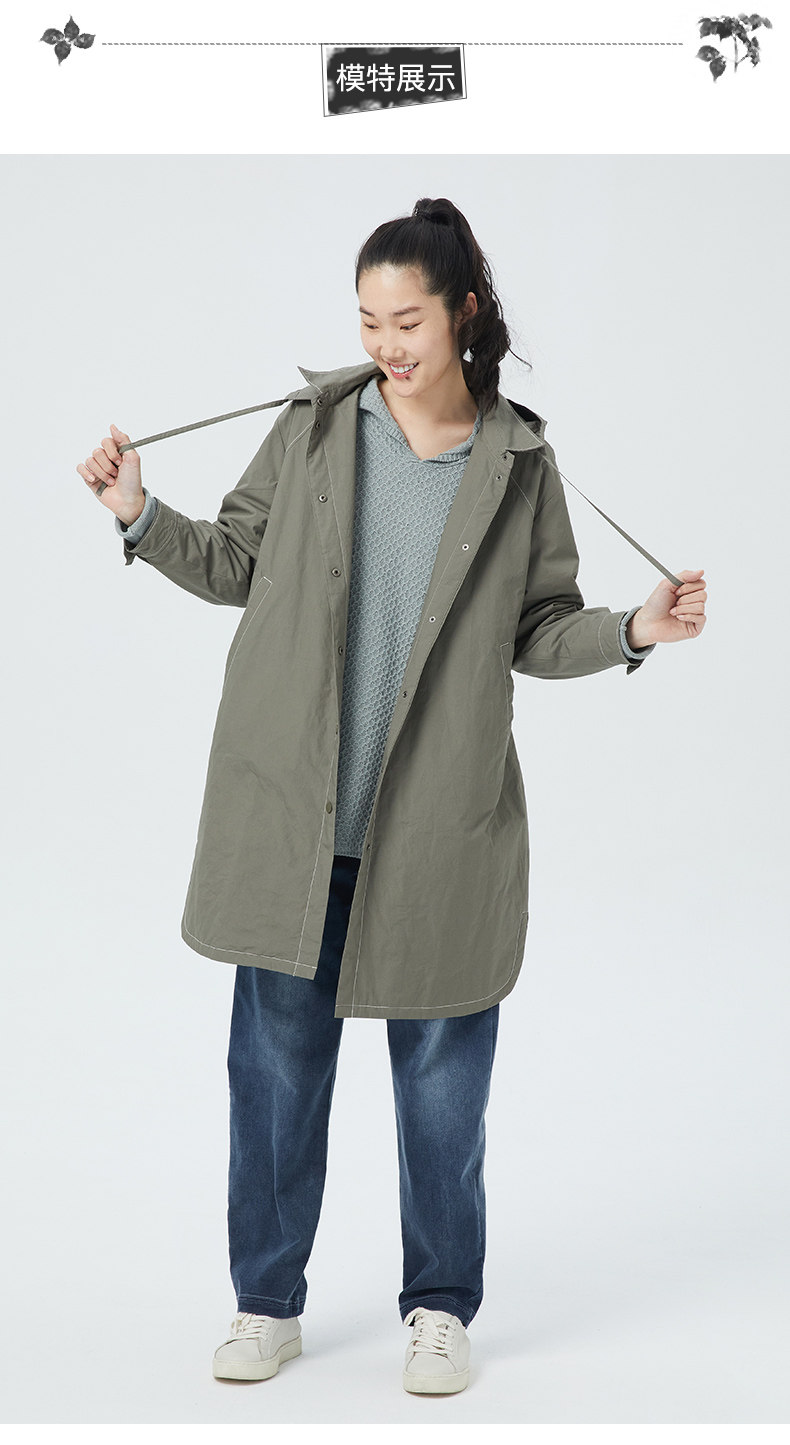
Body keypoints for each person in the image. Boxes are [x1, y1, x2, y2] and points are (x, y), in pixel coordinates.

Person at [76, 197, 707, 1396]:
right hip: (296, 815)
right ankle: (266, 1300)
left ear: (462, 311)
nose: (384, 343)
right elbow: (236, 561)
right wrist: (140, 515)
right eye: (367, 321)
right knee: (272, 1079)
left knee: (443, 1088)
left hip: (437, 825)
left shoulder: (519, 464)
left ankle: (440, 1305)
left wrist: (633, 629)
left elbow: (538, 626)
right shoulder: (315, 427)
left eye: (406, 319)